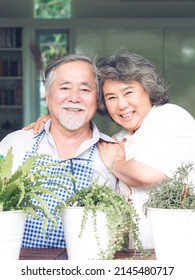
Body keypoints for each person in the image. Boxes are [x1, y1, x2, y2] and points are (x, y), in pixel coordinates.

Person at [30, 50, 195, 249]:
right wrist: (55, 120)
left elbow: (145, 174)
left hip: (181, 249)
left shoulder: (171, 117)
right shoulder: (120, 138)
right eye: (111, 97)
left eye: (128, 92)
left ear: (148, 90)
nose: (122, 105)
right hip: (139, 254)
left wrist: (115, 163)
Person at [0, 54, 119, 248]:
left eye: (85, 89)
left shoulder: (115, 154)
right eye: (64, 88)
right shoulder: (14, 144)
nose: (74, 97)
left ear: (97, 100)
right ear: (48, 96)